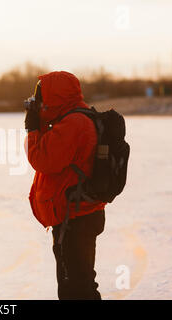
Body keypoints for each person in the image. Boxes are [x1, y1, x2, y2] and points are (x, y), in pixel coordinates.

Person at [24, 71, 107, 300]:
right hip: (76, 213)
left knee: (77, 289)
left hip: (76, 218)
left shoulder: (74, 123)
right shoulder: (73, 119)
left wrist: (32, 129)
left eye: (41, 97)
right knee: (77, 285)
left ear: (55, 97)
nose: (38, 103)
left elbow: (42, 159)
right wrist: (40, 121)